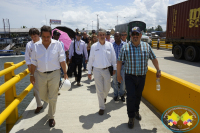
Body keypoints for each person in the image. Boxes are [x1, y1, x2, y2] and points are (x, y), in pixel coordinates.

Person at [117, 27, 161, 129]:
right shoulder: (126, 47)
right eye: (133, 35)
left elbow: (154, 58)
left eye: (137, 35)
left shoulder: (146, 47)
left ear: (141, 35)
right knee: (131, 97)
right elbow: (119, 61)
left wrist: (158, 69)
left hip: (142, 77)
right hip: (129, 77)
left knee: (138, 96)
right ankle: (131, 117)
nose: (135, 37)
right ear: (131, 36)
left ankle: (136, 111)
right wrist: (118, 75)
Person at [30, 25, 68, 127]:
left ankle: (51, 116)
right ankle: (50, 101)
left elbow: (62, 59)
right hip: (40, 75)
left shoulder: (58, 44)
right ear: (40, 35)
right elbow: (33, 62)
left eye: (48, 36)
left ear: (51, 35)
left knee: (53, 97)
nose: (46, 39)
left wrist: (65, 73)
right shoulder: (36, 46)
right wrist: (31, 74)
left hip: (54, 74)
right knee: (42, 95)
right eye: (44, 37)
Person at [87, 29, 116, 115]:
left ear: (105, 35)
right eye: (100, 35)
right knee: (99, 89)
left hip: (107, 70)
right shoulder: (94, 46)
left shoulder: (110, 45)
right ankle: (101, 107)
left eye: (103, 34)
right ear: (98, 36)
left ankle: (104, 97)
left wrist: (114, 68)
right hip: (97, 70)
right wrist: (89, 71)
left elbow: (113, 57)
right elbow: (91, 59)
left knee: (107, 87)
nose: (102, 36)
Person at [25, 28, 43, 114]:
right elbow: (27, 57)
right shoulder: (29, 45)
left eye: (35, 36)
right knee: (35, 87)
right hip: (34, 68)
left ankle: (46, 99)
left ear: (39, 34)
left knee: (45, 86)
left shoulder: (44, 43)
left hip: (44, 67)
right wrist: (29, 65)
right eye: (32, 37)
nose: (33, 38)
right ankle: (39, 105)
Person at [112, 32, 125, 102]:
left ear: (120, 36)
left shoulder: (125, 45)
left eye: (117, 36)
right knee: (115, 81)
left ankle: (122, 94)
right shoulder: (112, 45)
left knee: (123, 81)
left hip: (123, 66)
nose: (116, 38)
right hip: (114, 66)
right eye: (115, 36)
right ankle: (116, 95)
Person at [52, 30, 66, 95]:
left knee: (59, 78)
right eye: (56, 35)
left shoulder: (61, 43)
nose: (58, 36)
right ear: (53, 35)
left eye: (58, 35)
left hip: (59, 63)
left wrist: (63, 62)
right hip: (51, 63)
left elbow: (63, 53)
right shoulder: (50, 42)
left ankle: (57, 89)